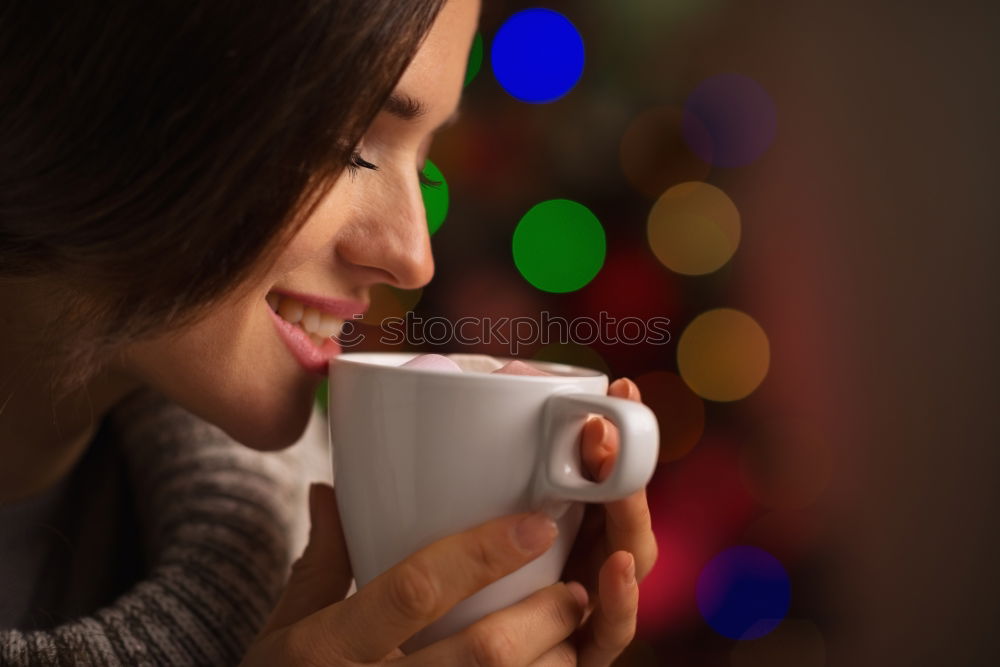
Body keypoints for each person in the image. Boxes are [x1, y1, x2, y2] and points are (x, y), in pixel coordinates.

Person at [0, 0, 658, 664]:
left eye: (425, 165)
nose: (413, 255)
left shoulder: (322, 551)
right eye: (349, 147)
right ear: (103, 76)